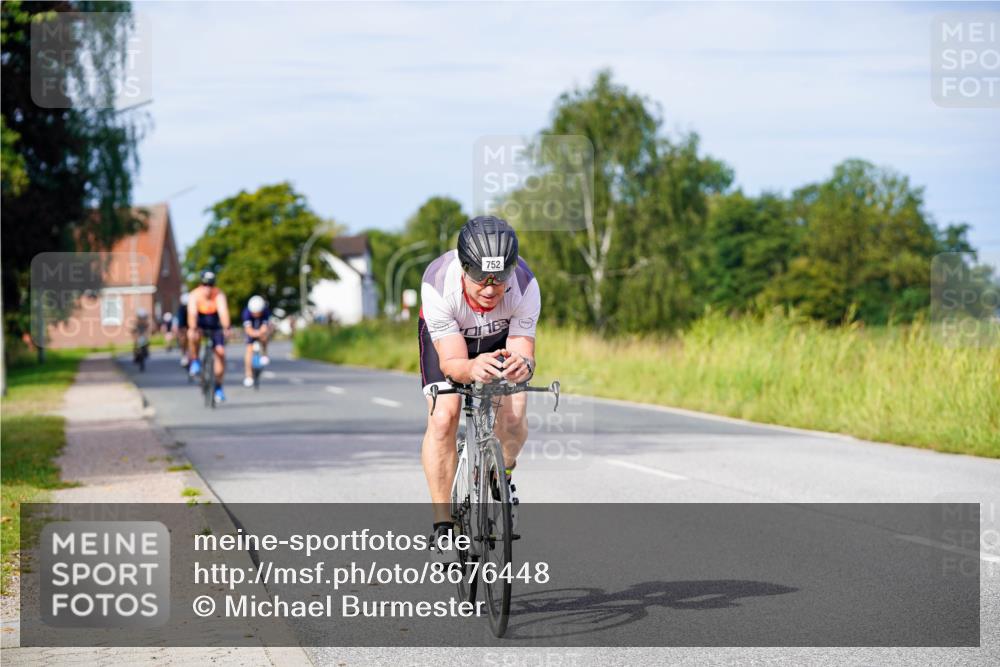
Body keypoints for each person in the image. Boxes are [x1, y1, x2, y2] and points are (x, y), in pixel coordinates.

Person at [418, 216, 539, 555]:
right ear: (464, 268)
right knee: (444, 416)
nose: (489, 289)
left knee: (513, 416)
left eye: (499, 280)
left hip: (499, 338)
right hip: (452, 345)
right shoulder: (438, 284)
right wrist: (471, 367)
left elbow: (524, 352)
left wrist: (522, 365)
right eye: (481, 280)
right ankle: (443, 525)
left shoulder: (526, 285)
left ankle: (503, 476)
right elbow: (452, 364)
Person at [187, 270, 231, 403]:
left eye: (211, 285)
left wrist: (226, 327)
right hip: (200, 323)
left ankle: (218, 387)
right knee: (192, 335)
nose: (208, 288)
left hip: (215, 324)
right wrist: (193, 328)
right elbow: (192, 314)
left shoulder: (219, 294)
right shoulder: (195, 295)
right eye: (205, 285)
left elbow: (223, 313)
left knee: (221, 352)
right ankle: (195, 360)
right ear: (201, 284)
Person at [241, 295, 272, 387]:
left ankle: (264, 354)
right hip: (251, 330)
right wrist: (254, 334)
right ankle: (248, 375)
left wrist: (261, 333)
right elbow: (248, 329)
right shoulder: (246, 313)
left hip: (260, 329)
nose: (256, 314)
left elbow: (264, 327)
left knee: (264, 337)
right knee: (249, 349)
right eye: (254, 313)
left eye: (258, 312)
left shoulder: (266, 312)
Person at [175, 292, 190, 367]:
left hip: (191, 325)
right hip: (183, 325)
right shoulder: (181, 309)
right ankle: (184, 354)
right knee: (183, 339)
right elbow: (180, 321)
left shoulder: (193, 307)